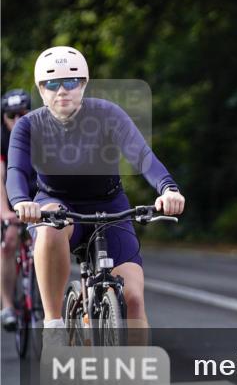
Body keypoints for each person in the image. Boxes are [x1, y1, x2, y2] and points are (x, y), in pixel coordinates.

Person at [5, 46, 185, 342]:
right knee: (49, 227)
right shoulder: (27, 126)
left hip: (108, 206)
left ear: (84, 84)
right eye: (52, 83)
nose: (62, 90)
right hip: (57, 205)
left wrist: (168, 188)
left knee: (134, 300)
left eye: (71, 82)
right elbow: (17, 172)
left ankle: (137, 380)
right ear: (40, 88)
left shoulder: (107, 114)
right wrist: (22, 202)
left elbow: (142, 156)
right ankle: (53, 325)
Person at [1, 88, 31, 331]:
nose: (17, 121)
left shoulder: (42, 130)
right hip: (9, 195)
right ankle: (8, 306)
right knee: (9, 242)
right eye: (11, 116)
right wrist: (6, 214)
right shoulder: (2, 138)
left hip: (38, 190)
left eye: (22, 114)